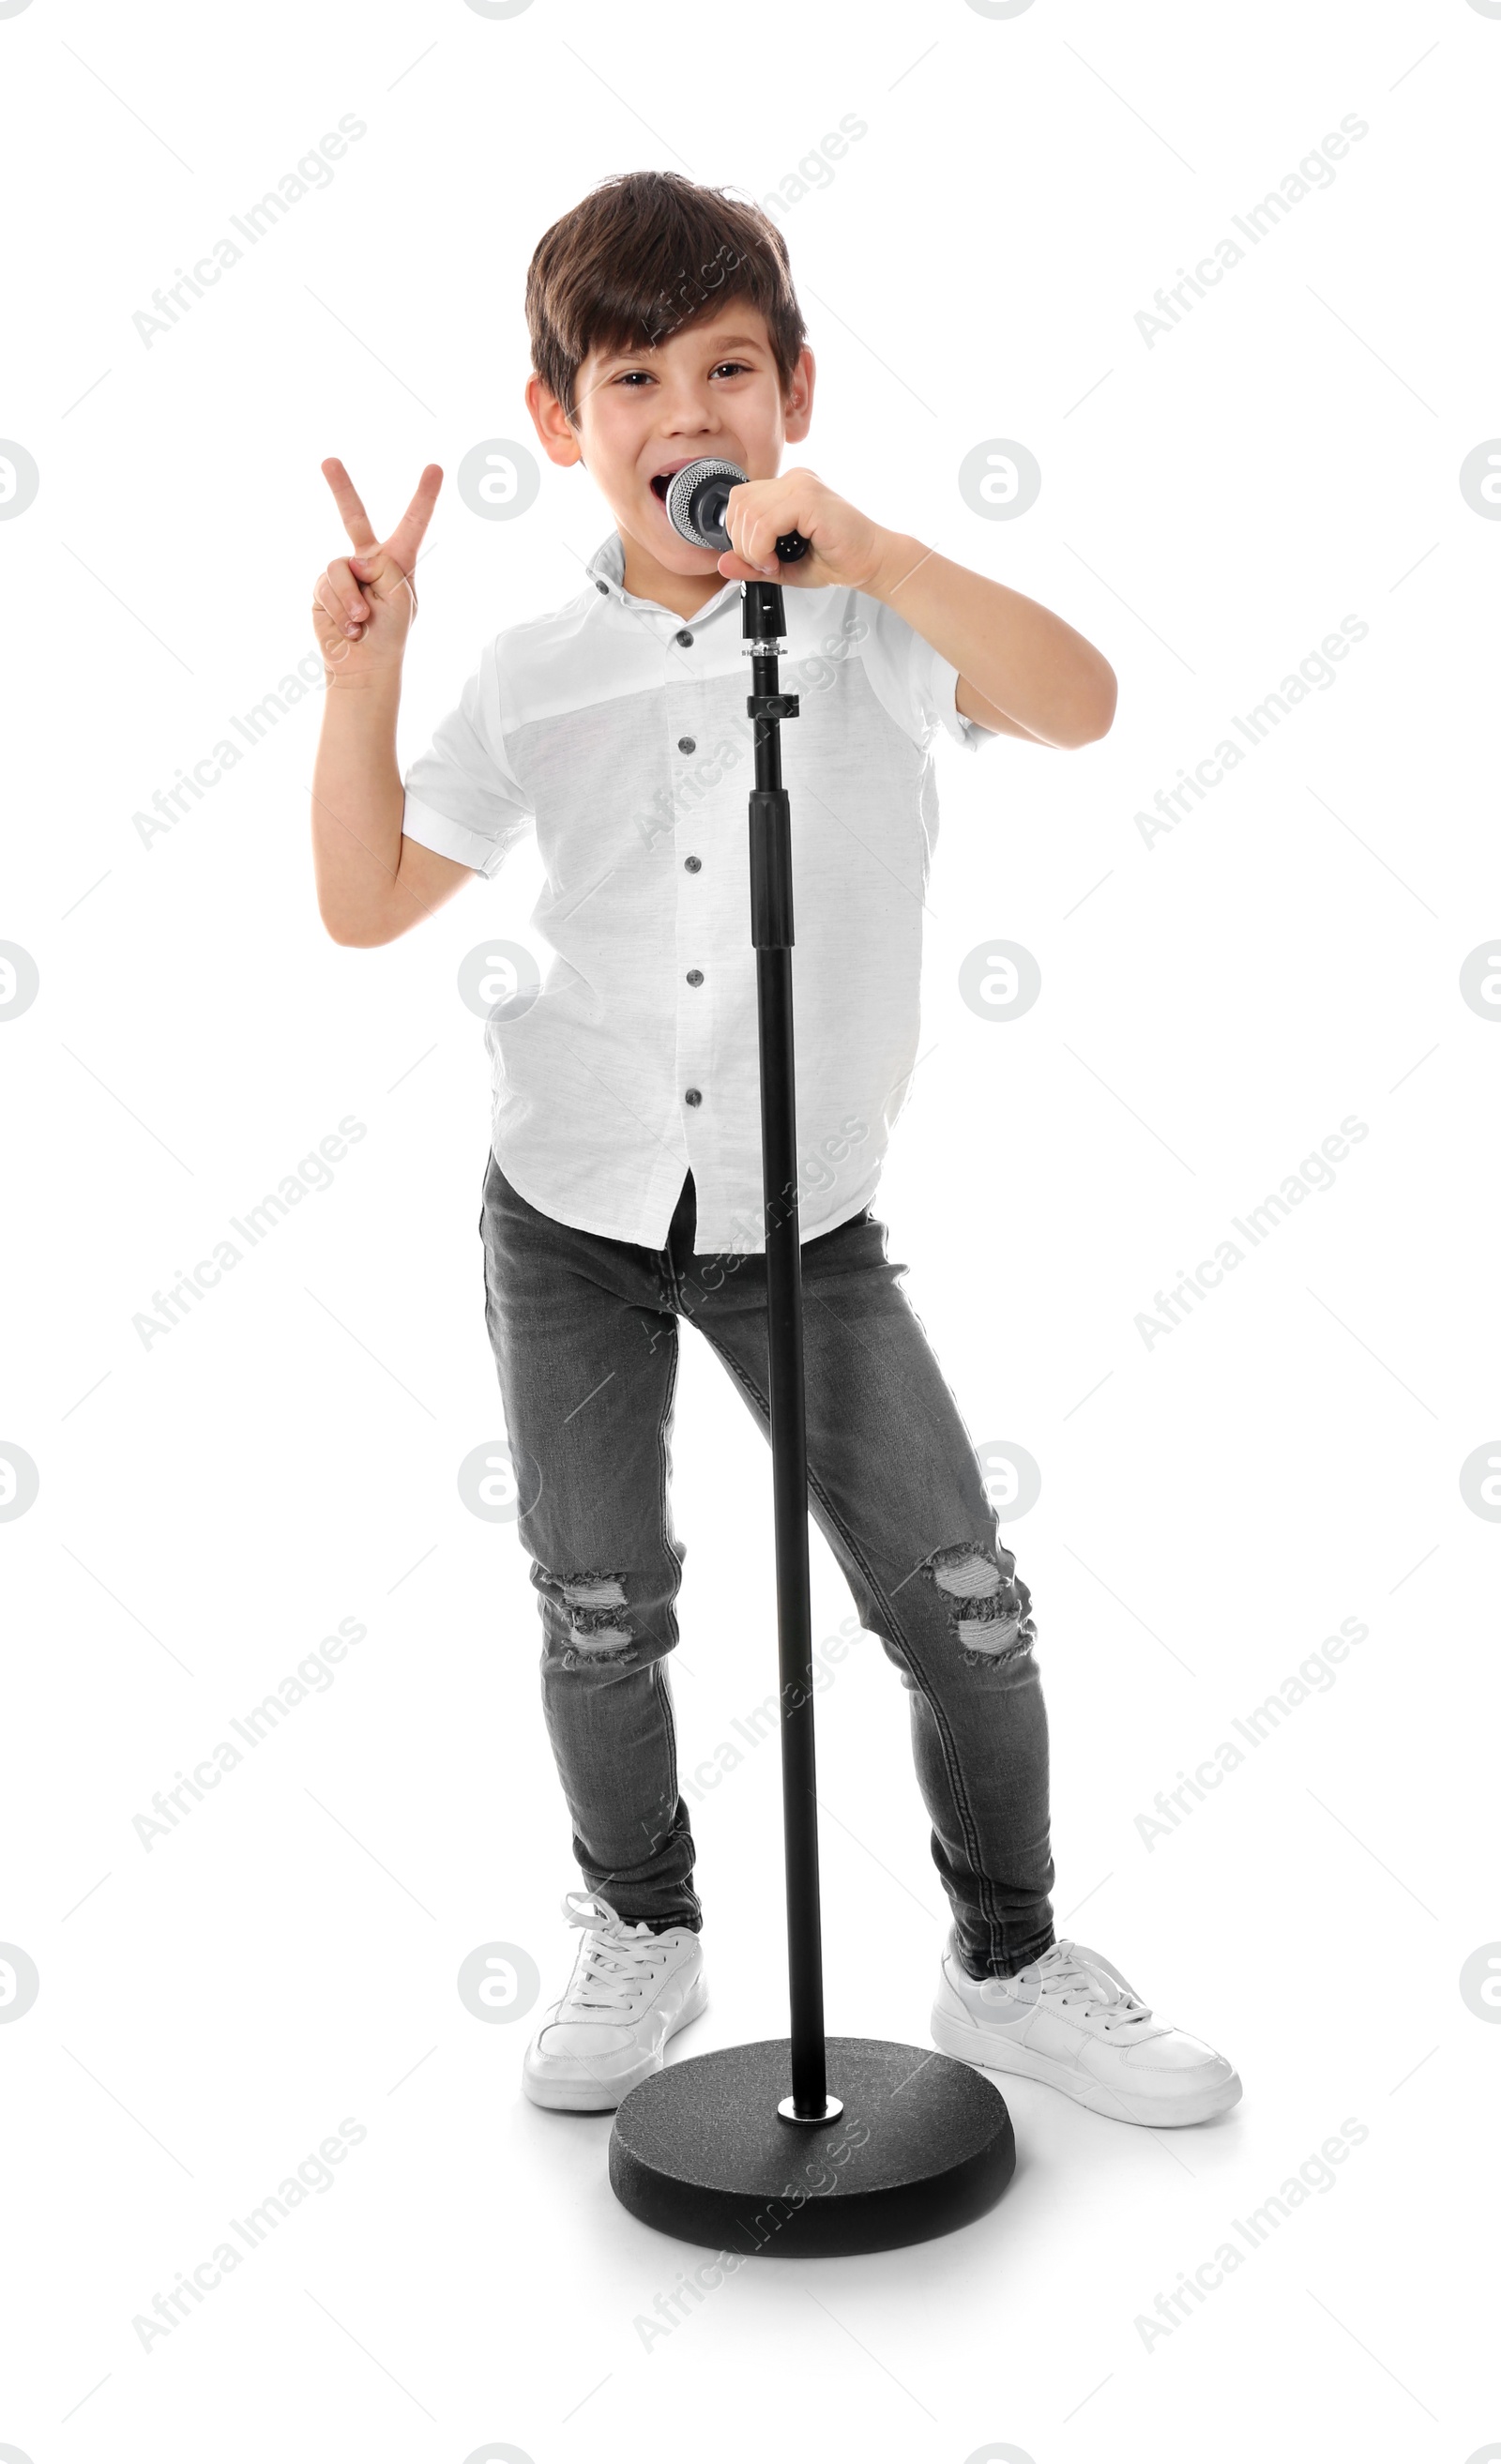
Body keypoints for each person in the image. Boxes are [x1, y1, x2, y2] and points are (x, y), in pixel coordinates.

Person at [309, 170, 1241, 2134]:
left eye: (728, 367)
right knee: (597, 1599)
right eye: (631, 376)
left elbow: (1075, 705)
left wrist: (881, 559)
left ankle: (1005, 1959)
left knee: (957, 1596)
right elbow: (367, 893)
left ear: (793, 389)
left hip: (797, 1217)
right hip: (564, 1206)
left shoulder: (869, 617)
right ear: (563, 422)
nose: (686, 414)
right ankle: (640, 1918)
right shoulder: (533, 672)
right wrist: (363, 668)